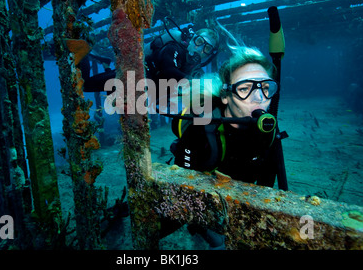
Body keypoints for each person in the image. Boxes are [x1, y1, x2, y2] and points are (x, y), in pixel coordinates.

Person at [167, 40, 288, 249]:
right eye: (245, 88)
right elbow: (182, 181)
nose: (260, 98)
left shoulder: (268, 131)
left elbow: (266, 189)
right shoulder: (202, 128)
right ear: (225, 96)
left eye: (266, 87)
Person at [80, 19, 220, 93]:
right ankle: (82, 52)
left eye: (207, 48)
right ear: (192, 38)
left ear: (208, 54)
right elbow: (168, 70)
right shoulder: (173, 47)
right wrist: (192, 82)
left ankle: (104, 62)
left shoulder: (194, 68)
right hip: (134, 74)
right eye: (199, 41)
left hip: (143, 87)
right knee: (85, 85)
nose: (200, 48)